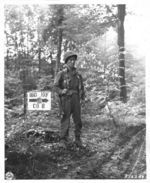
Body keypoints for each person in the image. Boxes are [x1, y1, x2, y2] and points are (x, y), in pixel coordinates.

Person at [54, 51, 85, 147]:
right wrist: (61, 91)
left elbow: (82, 87)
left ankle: (78, 139)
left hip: (76, 98)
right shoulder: (61, 73)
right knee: (65, 119)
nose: (72, 62)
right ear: (67, 61)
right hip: (66, 98)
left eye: (74, 60)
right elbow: (55, 87)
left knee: (78, 120)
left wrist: (82, 98)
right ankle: (63, 139)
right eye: (70, 60)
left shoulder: (78, 75)